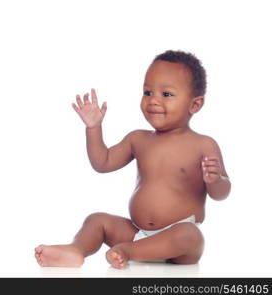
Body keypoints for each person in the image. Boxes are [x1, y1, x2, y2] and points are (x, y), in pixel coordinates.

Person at [35, 50, 231, 269]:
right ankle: (76, 250)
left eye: (166, 94)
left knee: (191, 234)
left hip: (179, 243)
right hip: (138, 234)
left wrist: (215, 180)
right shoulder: (138, 139)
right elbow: (103, 162)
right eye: (148, 92)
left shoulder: (203, 144)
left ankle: (127, 251)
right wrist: (93, 128)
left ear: (195, 105)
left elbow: (221, 194)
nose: (153, 100)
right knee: (97, 220)